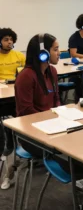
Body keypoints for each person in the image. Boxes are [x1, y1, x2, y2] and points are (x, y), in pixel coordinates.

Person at [14, 33, 83, 209]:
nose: (59, 52)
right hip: (32, 137)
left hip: (55, 129)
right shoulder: (26, 76)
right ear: (43, 53)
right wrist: (53, 121)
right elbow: (26, 115)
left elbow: (56, 101)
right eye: (55, 49)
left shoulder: (52, 72)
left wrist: (62, 115)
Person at [0, 28, 25, 183]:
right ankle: (8, 146)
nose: (10, 42)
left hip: (17, 92)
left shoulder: (19, 56)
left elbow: (25, 73)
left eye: (11, 39)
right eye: (6, 39)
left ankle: (21, 145)